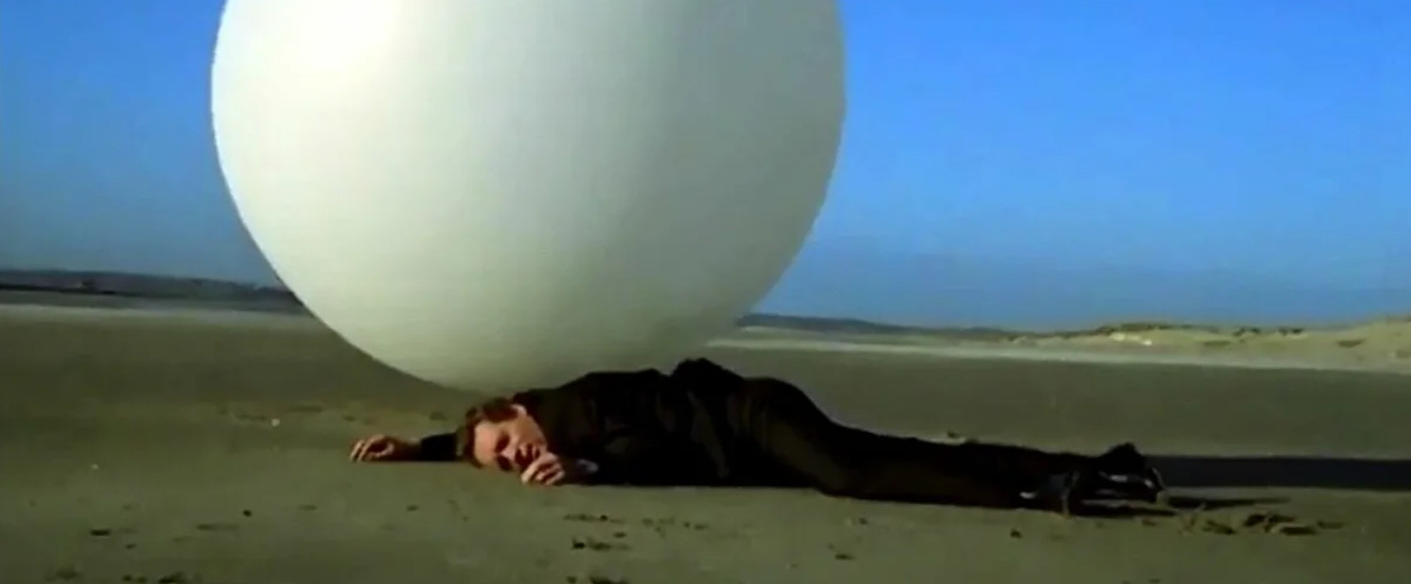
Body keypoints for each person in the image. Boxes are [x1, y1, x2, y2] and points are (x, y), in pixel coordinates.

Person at [349, 358, 1166, 514]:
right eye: (503, 466)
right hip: (750, 439)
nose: (515, 457)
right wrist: (422, 447)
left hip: (753, 415)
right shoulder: (550, 431)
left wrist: (591, 468)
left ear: (514, 406)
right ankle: (1095, 468)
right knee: (894, 456)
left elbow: (654, 450)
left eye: (507, 442)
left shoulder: (576, 406)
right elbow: (474, 439)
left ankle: (1036, 491)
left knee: (851, 476)